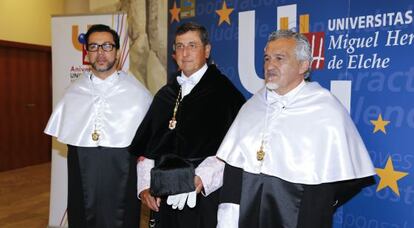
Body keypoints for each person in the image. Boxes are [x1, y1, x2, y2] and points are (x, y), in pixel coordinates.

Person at [213, 29, 376, 228]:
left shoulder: (325, 108)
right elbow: (234, 166)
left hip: (301, 214)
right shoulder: (252, 106)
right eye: (266, 58)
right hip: (249, 214)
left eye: (279, 58)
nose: (269, 66)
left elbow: (349, 178)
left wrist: (318, 203)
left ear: (303, 65)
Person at [129, 22, 245, 228]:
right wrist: (145, 187)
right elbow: (148, 148)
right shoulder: (165, 95)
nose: (185, 52)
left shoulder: (225, 94)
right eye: (179, 46)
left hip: (203, 198)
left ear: (207, 50)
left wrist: (200, 179)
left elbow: (234, 151)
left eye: (192, 45)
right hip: (163, 196)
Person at [44, 24, 152, 228]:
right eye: (93, 46)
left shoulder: (139, 95)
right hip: (83, 179)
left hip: (122, 178)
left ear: (118, 52)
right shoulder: (72, 94)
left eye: (107, 46)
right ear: (87, 54)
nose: (100, 52)